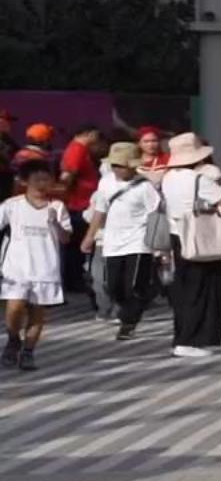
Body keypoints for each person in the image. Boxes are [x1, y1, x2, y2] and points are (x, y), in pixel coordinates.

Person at [159, 132, 221, 359]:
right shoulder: (198, 179)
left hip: (177, 235)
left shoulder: (168, 177)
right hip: (200, 236)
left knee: (185, 289)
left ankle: (183, 337)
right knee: (203, 288)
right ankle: (191, 339)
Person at [84, 142, 164, 340]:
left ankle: (128, 323)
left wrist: (160, 246)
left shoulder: (145, 187)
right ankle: (141, 299)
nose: (117, 169)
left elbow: (157, 213)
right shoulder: (105, 183)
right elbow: (100, 210)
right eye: (114, 165)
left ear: (132, 166)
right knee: (113, 287)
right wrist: (89, 236)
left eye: (121, 165)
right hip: (111, 243)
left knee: (133, 286)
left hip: (138, 242)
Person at [2, 161, 72, 370]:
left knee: (37, 313)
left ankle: (28, 352)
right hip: (16, 267)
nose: (42, 184)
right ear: (25, 181)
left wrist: (55, 223)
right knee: (14, 308)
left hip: (45, 267)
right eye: (37, 179)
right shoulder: (11, 205)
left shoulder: (57, 207)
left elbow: (66, 238)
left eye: (46, 179)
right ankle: (14, 338)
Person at [56, 125, 102, 309]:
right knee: (76, 245)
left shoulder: (79, 149)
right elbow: (68, 175)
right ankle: (74, 280)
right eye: (96, 136)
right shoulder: (77, 149)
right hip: (79, 204)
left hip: (81, 202)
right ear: (89, 134)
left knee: (76, 245)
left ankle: (74, 278)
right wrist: (65, 193)